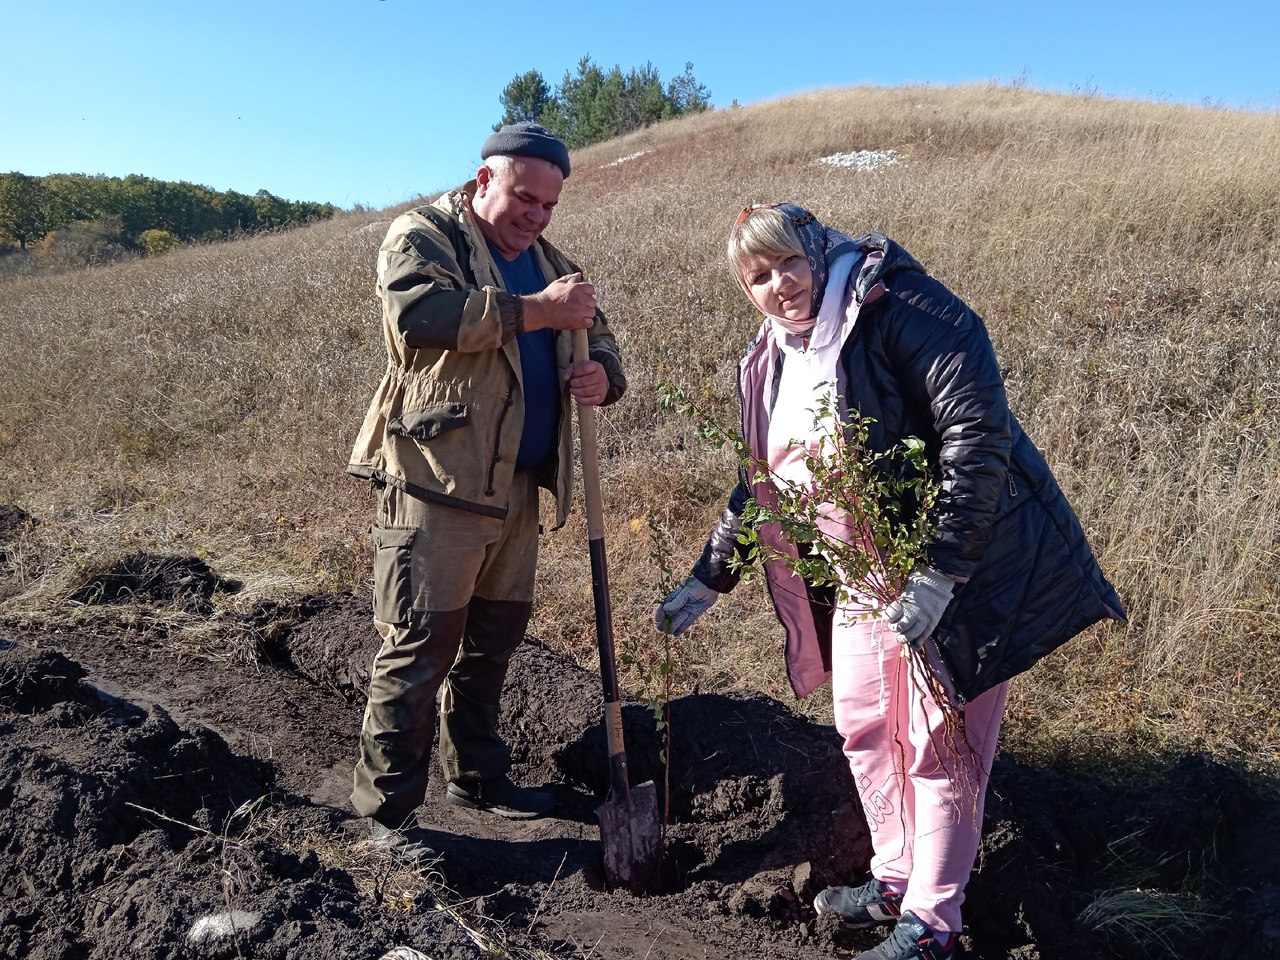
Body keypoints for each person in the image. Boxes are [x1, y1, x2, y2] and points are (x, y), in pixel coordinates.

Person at [656, 204, 1124, 959]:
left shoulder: (901, 306)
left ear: (819, 249)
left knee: (941, 746)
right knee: (869, 732)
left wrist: (941, 572)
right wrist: (712, 577)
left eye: (789, 263)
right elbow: (764, 483)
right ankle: (898, 880)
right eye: (759, 277)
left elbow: (978, 436)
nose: (781, 285)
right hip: (858, 582)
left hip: (949, 575)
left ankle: (935, 925)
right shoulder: (774, 355)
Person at [348, 123, 627, 860]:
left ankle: (476, 777)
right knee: (418, 647)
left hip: (518, 493)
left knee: (493, 643)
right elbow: (421, 317)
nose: (534, 216)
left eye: (548, 206)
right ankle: (385, 820)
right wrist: (538, 309)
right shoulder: (424, 236)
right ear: (484, 181)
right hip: (437, 486)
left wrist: (603, 373)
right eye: (523, 197)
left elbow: (598, 336)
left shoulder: (551, 261)